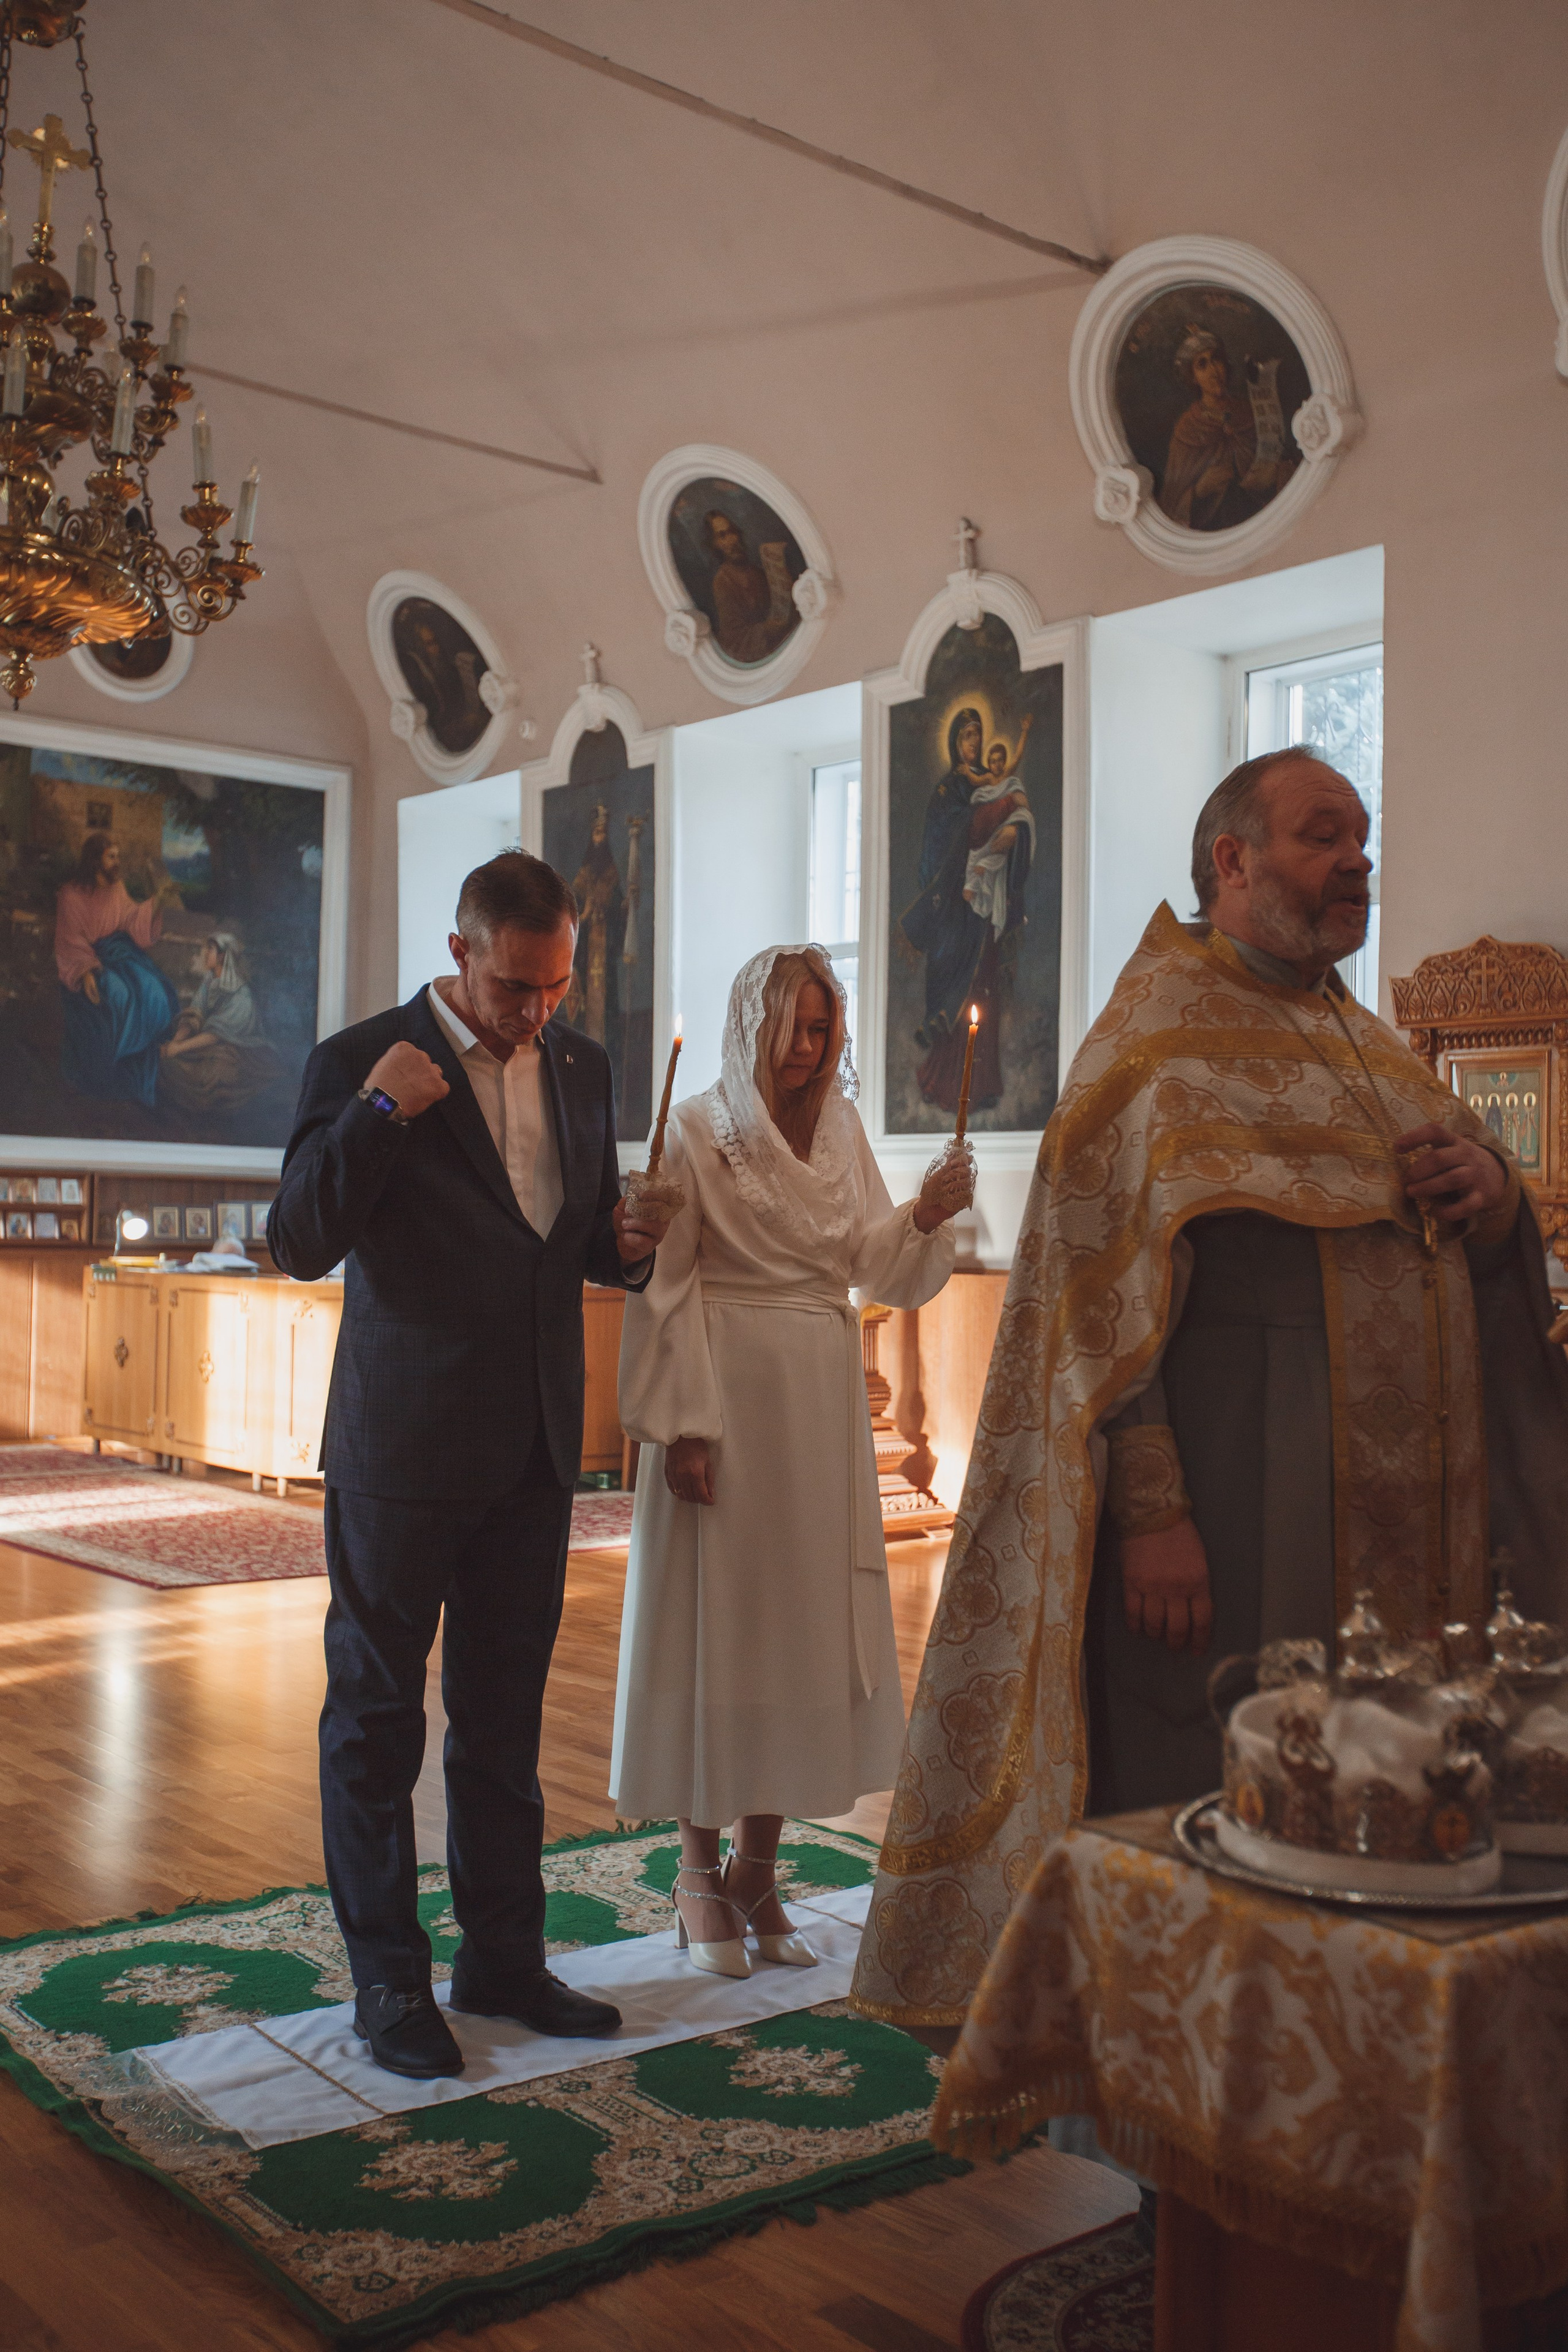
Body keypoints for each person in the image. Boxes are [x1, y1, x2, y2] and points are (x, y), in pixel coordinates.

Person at [853, 745, 1568, 2032]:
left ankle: (1365, 2082)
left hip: (1403, 1556)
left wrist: (1496, 1198)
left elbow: (1481, 1233)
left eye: (1360, 837)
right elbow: (1090, 1312)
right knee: (1225, 1803)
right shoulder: (1149, 1051)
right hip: (1241, 1518)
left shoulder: (1362, 1043)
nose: (1355, 859)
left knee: (1380, 1804)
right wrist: (1151, 1510)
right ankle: (1182, 2146)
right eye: (1319, 836)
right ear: (1230, 863)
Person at [269, 852, 662, 2081]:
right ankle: (387, 1979)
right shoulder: (360, 1060)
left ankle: (502, 1956)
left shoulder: (585, 1067)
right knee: (377, 1719)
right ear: (459, 953)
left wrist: (630, 1243)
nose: (533, 1011)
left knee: (501, 1720)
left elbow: (579, 1238)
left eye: (553, 986)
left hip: (537, 1445)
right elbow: (296, 1241)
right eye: (511, 985)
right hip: (402, 1444)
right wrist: (380, 1111)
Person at [611, 945, 965, 1978]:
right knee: (716, 1629)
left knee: (804, 1630)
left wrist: (928, 1214)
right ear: (757, 1022)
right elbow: (667, 1284)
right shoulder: (694, 1127)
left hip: (818, 1396)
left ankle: (761, 1872)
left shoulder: (844, 1128)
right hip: (726, 1396)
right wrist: (682, 1426)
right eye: (798, 1028)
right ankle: (693, 1872)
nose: (813, 1050)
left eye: (826, 1029)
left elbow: (871, 1262)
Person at [901, 707, 1032, 1115]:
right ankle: (945, 1085)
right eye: (967, 736)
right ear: (955, 741)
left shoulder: (988, 785)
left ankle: (985, 1085)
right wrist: (1006, 807)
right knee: (954, 996)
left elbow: (1010, 823)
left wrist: (1017, 825)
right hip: (953, 915)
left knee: (984, 991)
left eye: (978, 736)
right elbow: (957, 837)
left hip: (982, 912)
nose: (973, 744)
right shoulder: (948, 794)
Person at [54, 830, 179, 1108]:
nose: (116, 862)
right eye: (111, 857)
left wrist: (157, 899)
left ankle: (139, 1066)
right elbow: (70, 941)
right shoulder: (71, 895)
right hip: (92, 960)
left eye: (118, 856)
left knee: (155, 990)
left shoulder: (117, 888)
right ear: (94, 860)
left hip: (121, 953)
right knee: (120, 995)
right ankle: (119, 1066)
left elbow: (132, 920)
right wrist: (86, 972)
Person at [1156, 325, 1298, 531]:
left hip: (1269, 521)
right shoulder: (1188, 428)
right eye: (1202, 365)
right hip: (1214, 530)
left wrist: (1275, 473)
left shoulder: (1248, 412)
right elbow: (1170, 506)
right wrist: (1199, 490)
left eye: (1217, 359)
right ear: (1193, 377)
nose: (1214, 371)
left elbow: (1288, 461)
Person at [157, 932, 285, 1123]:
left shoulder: (242, 995)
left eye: (210, 949)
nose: (205, 953)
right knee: (166, 1057)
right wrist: (175, 1043)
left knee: (214, 1073)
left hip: (241, 1051)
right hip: (207, 1045)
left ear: (223, 956)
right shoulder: (209, 982)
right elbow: (194, 1016)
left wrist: (179, 1048)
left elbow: (217, 1035)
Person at [701, 509, 798, 665]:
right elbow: (735, 639)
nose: (732, 540)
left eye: (733, 532)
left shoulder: (756, 572)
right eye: (723, 536)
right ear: (715, 544)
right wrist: (768, 629)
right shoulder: (723, 582)